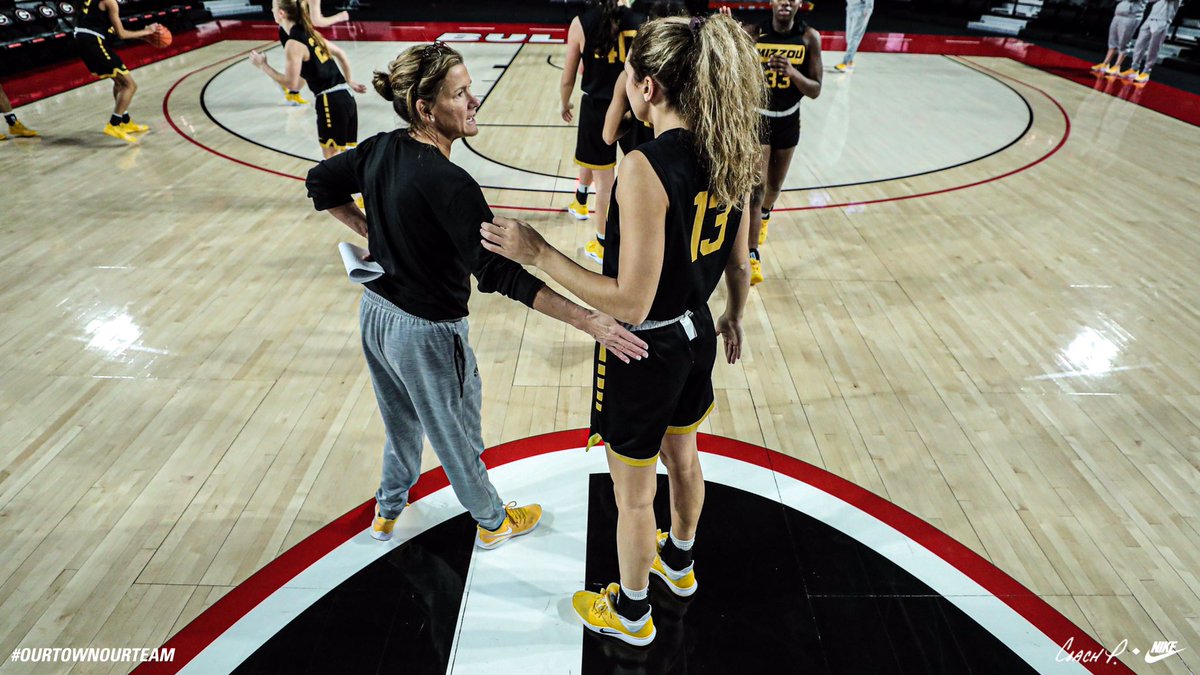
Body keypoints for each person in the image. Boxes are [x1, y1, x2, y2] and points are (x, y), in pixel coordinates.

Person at [481, 13, 759, 646]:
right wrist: (734, 315)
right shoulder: (733, 146)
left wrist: (538, 252)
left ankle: (632, 613)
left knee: (633, 496)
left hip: (644, 348)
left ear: (648, 87)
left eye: (628, 76)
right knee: (684, 458)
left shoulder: (643, 166)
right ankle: (679, 563)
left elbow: (630, 303)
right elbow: (740, 262)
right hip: (696, 331)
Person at [304, 43, 649, 549]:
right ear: (426, 109)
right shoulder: (451, 183)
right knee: (456, 434)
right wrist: (587, 320)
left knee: (401, 423)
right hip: (427, 335)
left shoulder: (381, 147)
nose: (474, 100)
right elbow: (501, 274)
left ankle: (387, 509)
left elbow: (319, 182)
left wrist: (369, 229)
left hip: (376, 317)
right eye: (460, 93)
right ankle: (492, 522)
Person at [560, 0, 645, 264]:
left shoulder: (581, 23)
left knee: (604, 180)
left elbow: (568, 76)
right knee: (638, 171)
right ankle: (581, 198)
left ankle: (602, 244)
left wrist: (564, 102)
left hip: (597, 108)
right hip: (632, 106)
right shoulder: (640, 20)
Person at [748, 0, 822, 285]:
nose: (786, 2)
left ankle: (766, 215)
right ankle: (751, 254)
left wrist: (792, 73)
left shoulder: (809, 37)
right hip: (759, 117)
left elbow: (815, 89)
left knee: (774, 187)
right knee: (756, 189)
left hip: (789, 118)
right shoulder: (754, 33)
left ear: (799, 3)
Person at [250, 0, 365, 158]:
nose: (271, 10)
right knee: (345, 158)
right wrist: (349, 80)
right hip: (346, 97)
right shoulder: (310, 33)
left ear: (281, 13)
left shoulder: (293, 43)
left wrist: (263, 65)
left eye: (273, 8)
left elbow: (292, 84)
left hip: (330, 101)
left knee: (332, 159)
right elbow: (341, 54)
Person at [73, 0, 161, 143]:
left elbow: (113, 30)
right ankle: (114, 125)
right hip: (93, 42)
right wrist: (148, 31)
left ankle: (124, 121)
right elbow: (122, 34)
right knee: (130, 85)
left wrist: (144, 36)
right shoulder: (110, 2)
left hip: (86, 40)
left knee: (120, 83)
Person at [275, 0, 350, 106]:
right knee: (308, 66)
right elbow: (317, 21)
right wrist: (339, 17)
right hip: (291, 29)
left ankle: (291, 89)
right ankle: (290, 89)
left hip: (297, 27)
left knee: (309, 66)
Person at [1123, 0, 1183, 84]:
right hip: (1151, 17)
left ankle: (1146, 72)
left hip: (1163, 20)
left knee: (1153, 47)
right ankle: (1134, 68)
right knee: (1139, 44)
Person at [1093, 0, 1147, 76]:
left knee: (1123, 42)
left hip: (1131, 16)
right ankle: (1105, 63)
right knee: (1112, 41)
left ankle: (1117, 66)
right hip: (1118, 14)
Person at [834, 0, 872, 72]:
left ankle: (845, 63)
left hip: (861, 10)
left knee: (854, 37)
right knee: (849, 36)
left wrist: (868, 9)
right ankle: (850, 61)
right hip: (850, 8)